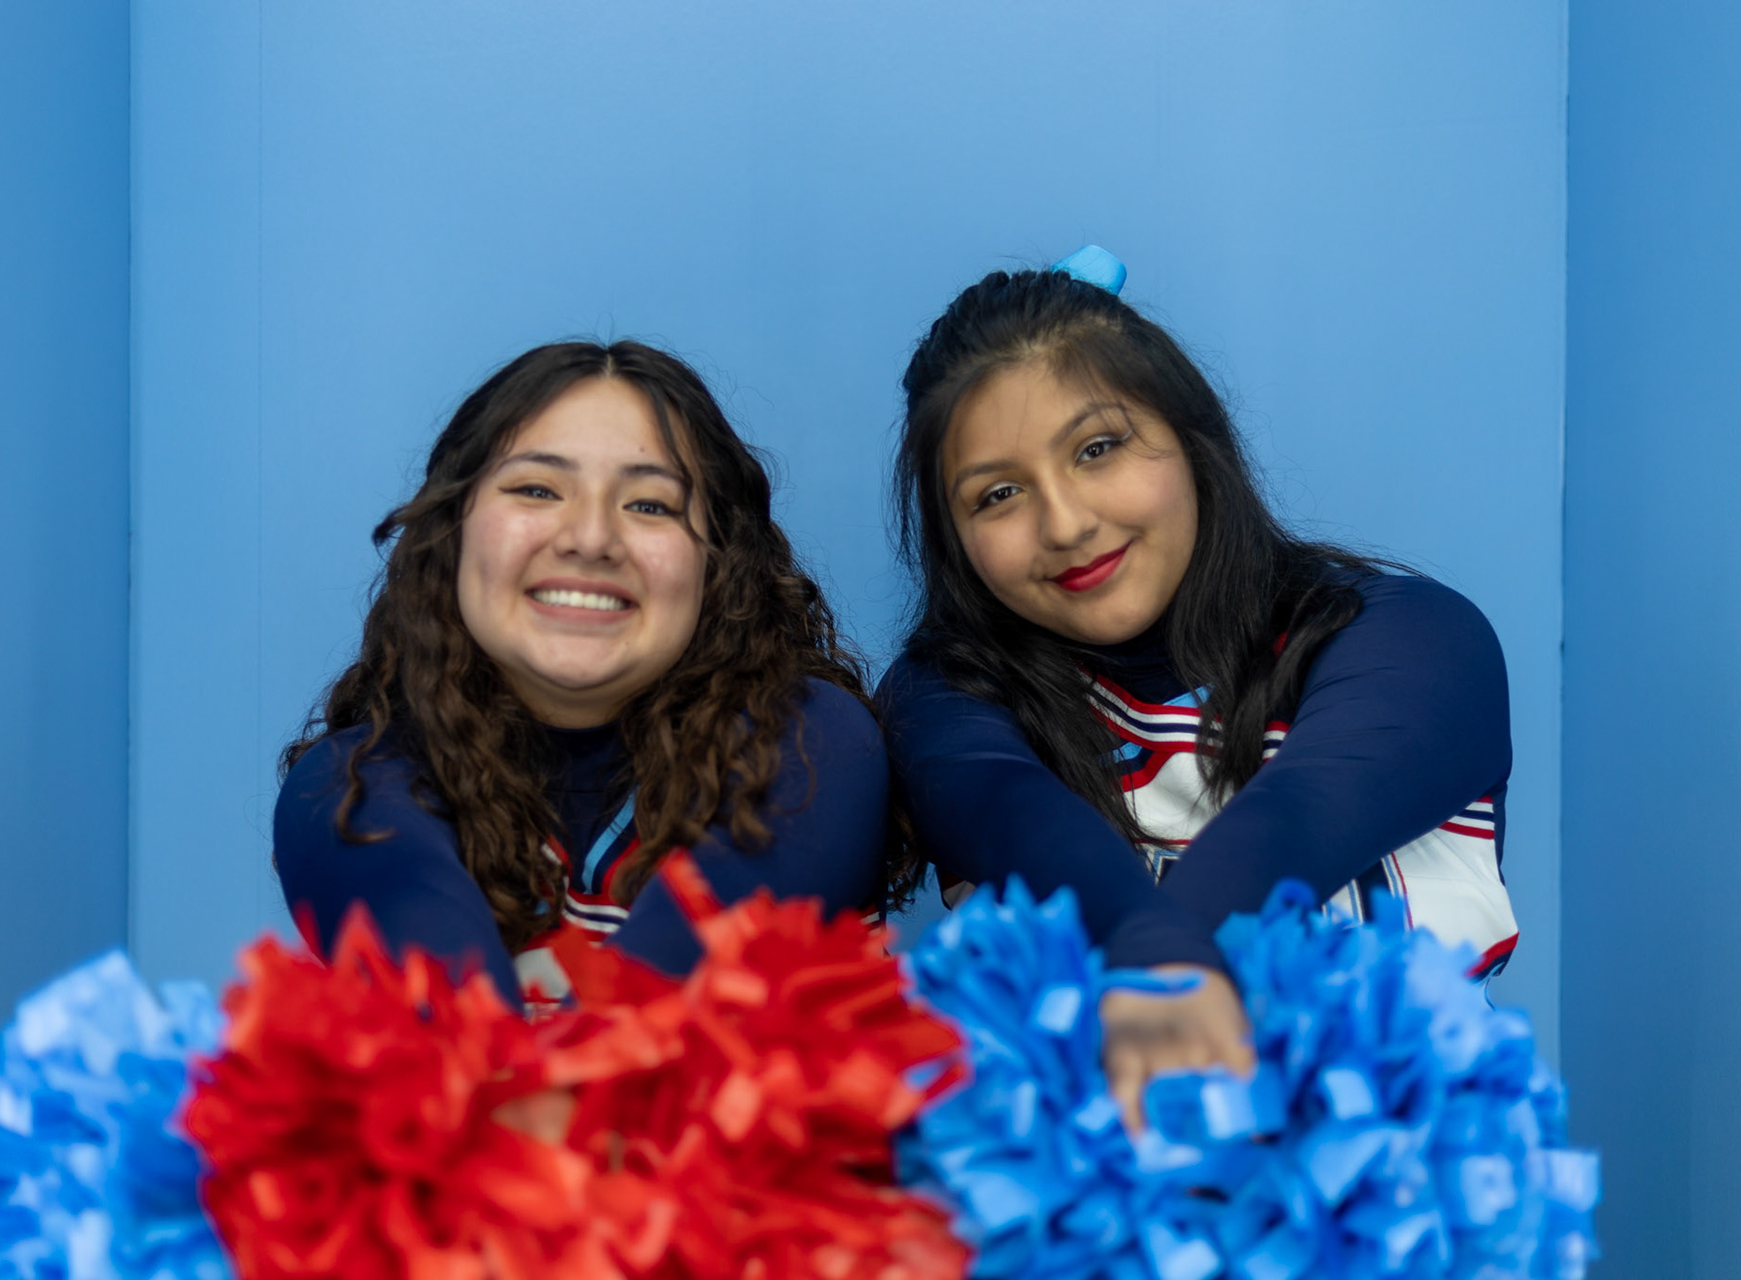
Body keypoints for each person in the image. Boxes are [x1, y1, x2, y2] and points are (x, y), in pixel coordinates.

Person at [878, 249, 1518, 1129]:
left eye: (1098, 448)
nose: (1065, 522)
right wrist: (1156, 952)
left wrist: (1160, 960)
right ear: (955, 540)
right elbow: (1022, 822)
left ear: (1190, 435)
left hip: (1406, 1225)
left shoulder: (1412, 640)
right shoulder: (947, 700)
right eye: (998, 495)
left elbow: (1293, 822)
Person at [273, 340, 894, 1011]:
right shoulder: (347, 789)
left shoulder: (815, 742)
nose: (590, 537)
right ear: (451, 536)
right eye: (537, 489)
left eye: (650, 504)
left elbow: (654, 1008)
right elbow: (460, 1042)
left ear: (717, 564)